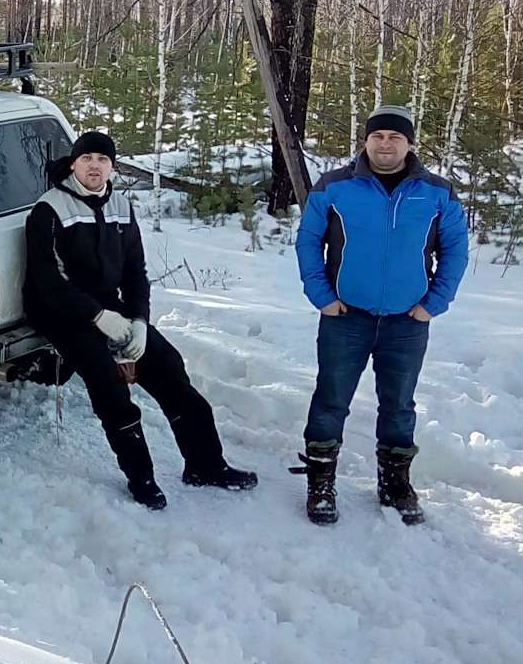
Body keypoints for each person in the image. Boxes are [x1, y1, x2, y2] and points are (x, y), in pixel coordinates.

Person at [23, 131, 258, 509]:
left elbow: (135, 269)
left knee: (169, 368)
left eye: (102, 160)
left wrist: (139, 322)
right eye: (87, 159)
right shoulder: (49, 210)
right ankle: (142, 478)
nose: (94, 166)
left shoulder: (119, 204)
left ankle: (206, 465)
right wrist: (98, 317)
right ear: (73, 165)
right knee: (111, 387)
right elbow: (49, 282)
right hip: (62, 313)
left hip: (111, 308)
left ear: (112, 167)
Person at [294, 106, 467, 526]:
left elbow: (455, 251)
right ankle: (320, 483)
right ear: (366, 141)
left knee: (399, 405)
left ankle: (395, 482)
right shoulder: (334, 187)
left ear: (409, 144)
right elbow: (308, 242)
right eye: (378, 136)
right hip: (345, 316)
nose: (385, 144)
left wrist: (433, 303)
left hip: (407, 321)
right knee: (330, 400)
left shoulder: (437, 191)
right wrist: (321, 295)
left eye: (395, 137)